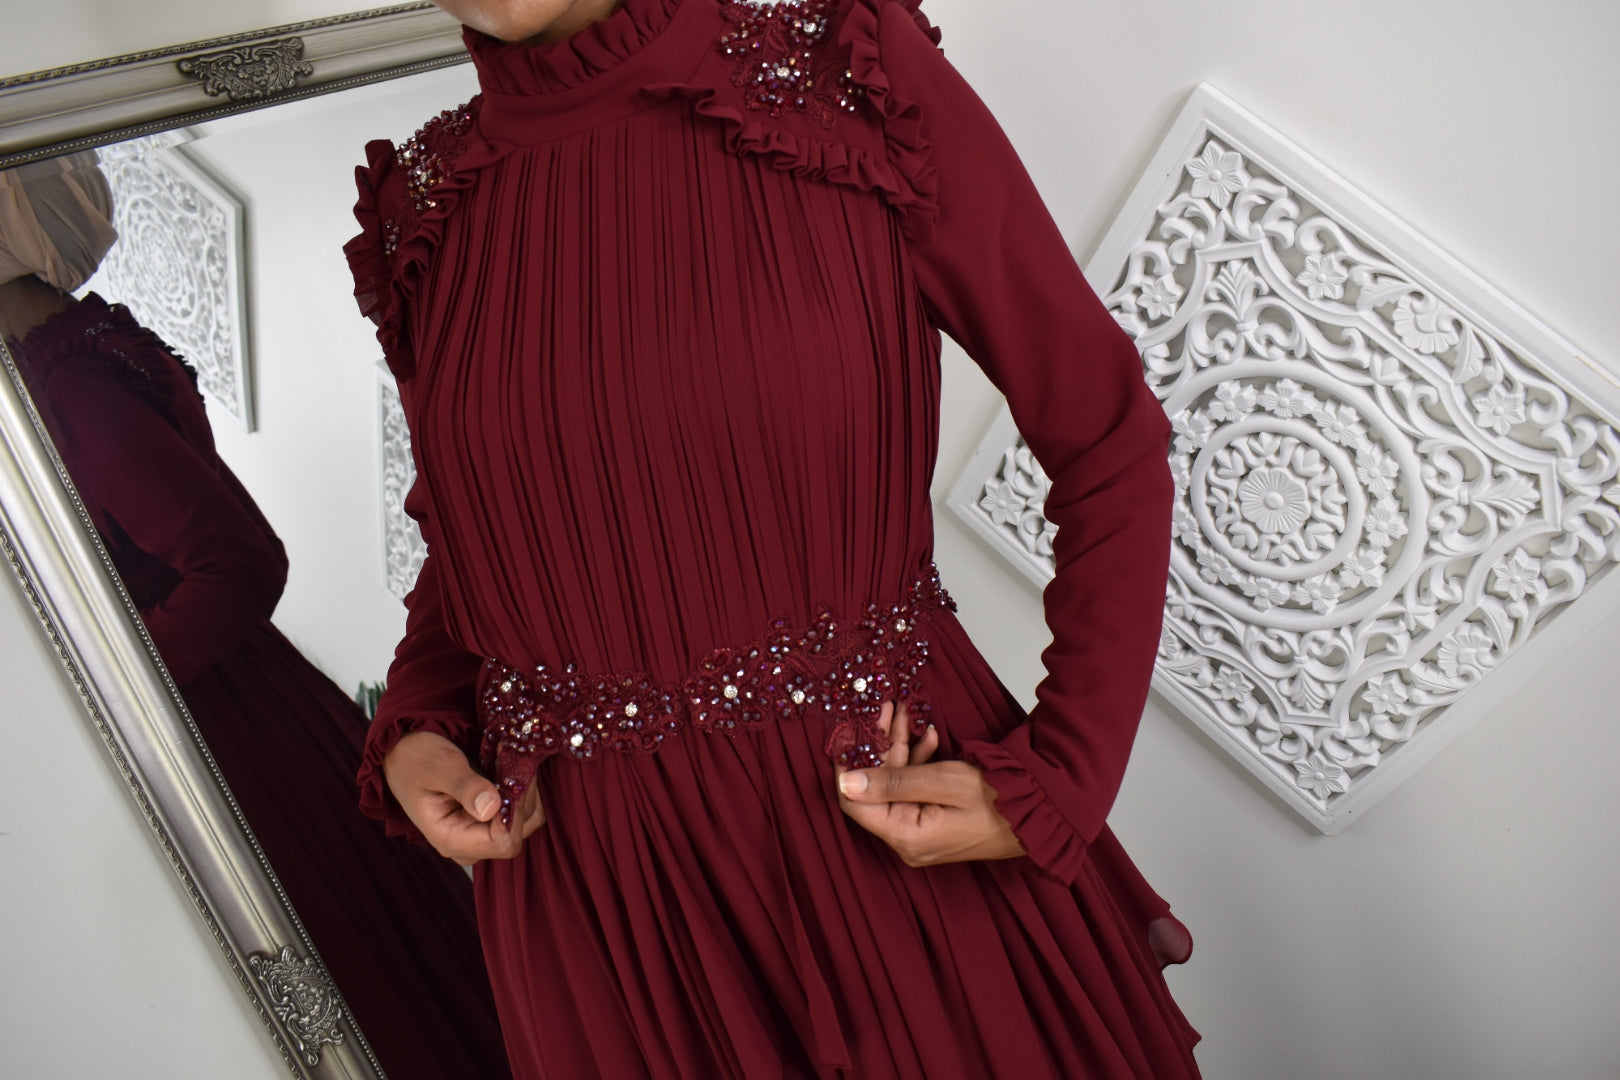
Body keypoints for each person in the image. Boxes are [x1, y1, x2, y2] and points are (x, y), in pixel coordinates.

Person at [349, 0, 1202, 1075]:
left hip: (879, 841)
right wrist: (421, 718)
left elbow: (1106, 435)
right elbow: (487, 532)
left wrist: (1065, 774)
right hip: (602, 917)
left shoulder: (844, 74)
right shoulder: (427, 205)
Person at [0, 153, 511, 1080]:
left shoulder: (65, 383)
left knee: (351, 983)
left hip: (223, 726)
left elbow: (236, 566)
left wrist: (99, 695)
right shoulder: (56, 362)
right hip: (220, 706)